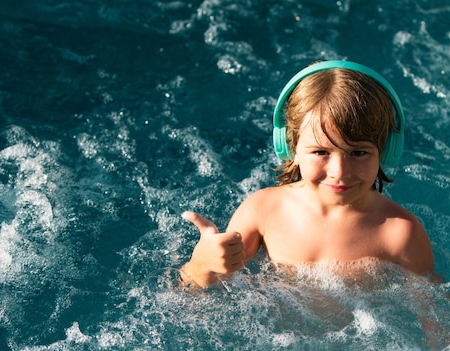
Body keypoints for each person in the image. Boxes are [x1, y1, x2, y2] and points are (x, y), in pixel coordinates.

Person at [180, 60, 435, 288]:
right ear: (291, 146)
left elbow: (436, 313)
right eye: (321, 152)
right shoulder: (264, 210)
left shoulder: (399, 233)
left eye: (358, 153)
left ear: (385, 151)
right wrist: (201, 267)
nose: (339, 171)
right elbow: (191, 297)